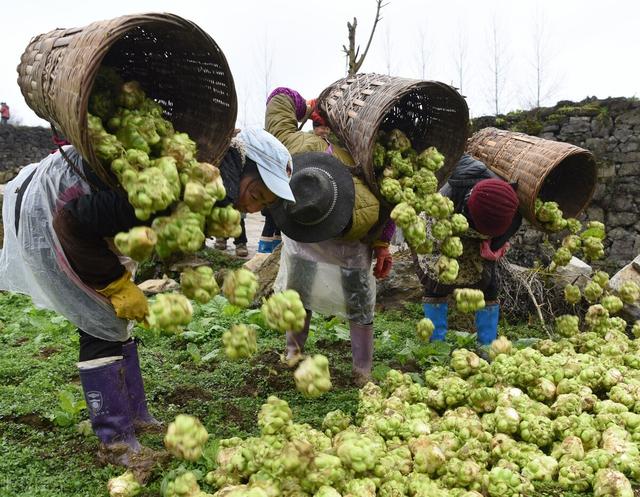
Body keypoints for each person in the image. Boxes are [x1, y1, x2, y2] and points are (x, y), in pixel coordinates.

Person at [0, 126, 293, 467]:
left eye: (262, 205)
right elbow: (74, 221)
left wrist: (187, 264)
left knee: (114, 319)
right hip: (55, 214)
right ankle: (116, 441)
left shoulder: (193, 188)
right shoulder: (164, 190)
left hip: (87, 221)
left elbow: (163, 228)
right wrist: (114, 283)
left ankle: (136, 416)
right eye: (255, 195)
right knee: (102, 323)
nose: (252, 209)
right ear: (237, 173)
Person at [266, 87, 395, 385]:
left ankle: (293, 354)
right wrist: (382, 243)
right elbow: (388, 199)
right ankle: (362, 371)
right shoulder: (364, 153)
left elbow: (279, 97)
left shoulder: (295, 142)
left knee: (300, 295)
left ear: (316, 122)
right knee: (359, 302)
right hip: (351, 241)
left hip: (305, 237)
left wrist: (306, 104)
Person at [414, 153, 521, 353]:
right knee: (436, 281)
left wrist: (497, 245)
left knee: (488, 284)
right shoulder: (447, 197)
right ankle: (436, 348)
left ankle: (488, 346)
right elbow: (429, 238)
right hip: (441, 233)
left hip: (478, 233)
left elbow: (514, 222)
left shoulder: (504, 198)